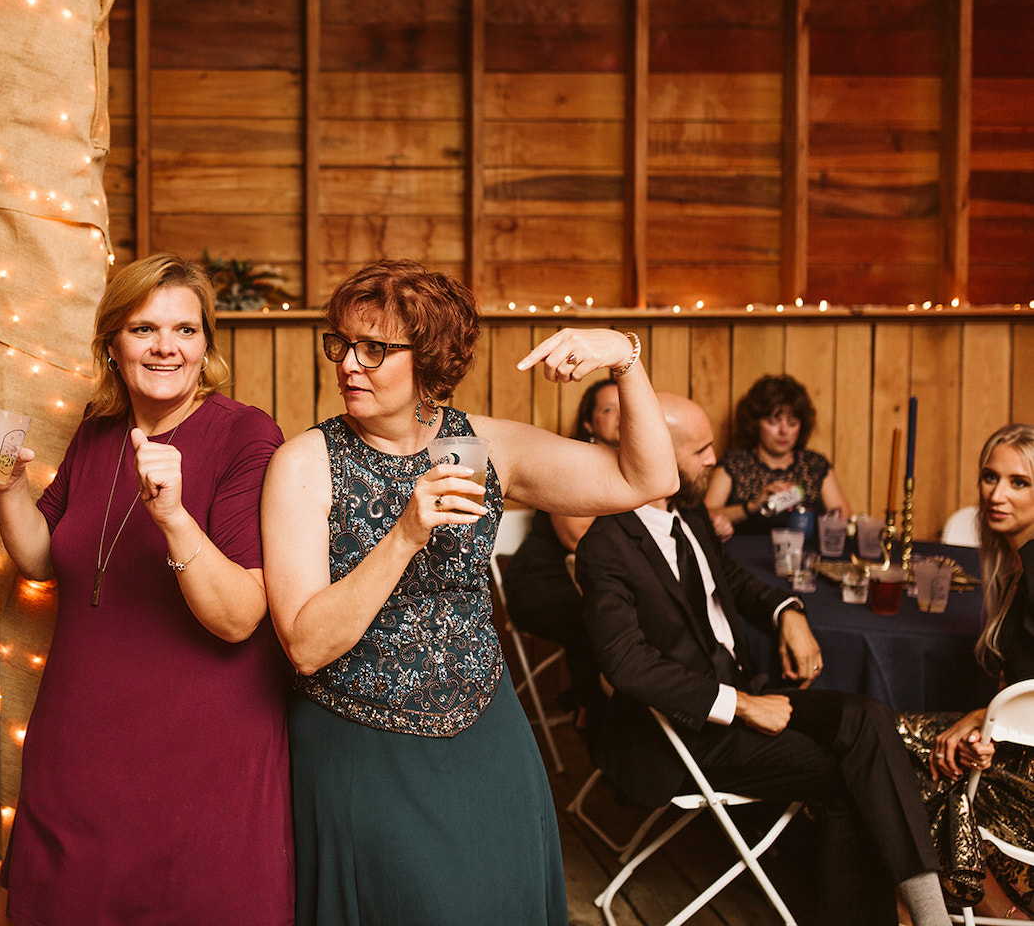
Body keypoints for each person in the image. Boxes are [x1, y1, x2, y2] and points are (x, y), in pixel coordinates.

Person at [261, 259, 679, 925]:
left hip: (486, 733)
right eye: (341, 344)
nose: (348, 365)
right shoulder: (306, 464)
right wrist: (403, 535)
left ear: (428, 359)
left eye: (375, 349)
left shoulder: (483, 446)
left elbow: (649, 478)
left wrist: (625, 359)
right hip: (360, 743)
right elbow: (306, 646)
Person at [0, 254, 292, 926]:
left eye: (186, 330)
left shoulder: (244, 434)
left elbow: (239, 618)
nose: (166, 346)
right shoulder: (98, 430)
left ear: (206, 344)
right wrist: (8, 488)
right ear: (112, 344)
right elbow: (39, 559)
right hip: (79, 746)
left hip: (199, 754)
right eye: (144, 329)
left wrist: (172, 516)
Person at [578, 393, 949, 926]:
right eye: (702, 450)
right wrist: (743, 706)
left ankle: (927, 916)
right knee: (856, 775)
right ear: (654, 452)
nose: (713, 460)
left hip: (749, 692)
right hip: (685, 733)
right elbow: (627, 665)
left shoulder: (687, 513)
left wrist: (787, 612)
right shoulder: (605, 546)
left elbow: (730, 581)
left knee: (867, 718)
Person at [897, 423, 1034, 921]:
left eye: (1020, 482)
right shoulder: (1017, 562)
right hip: (1015, 747)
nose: (997, 494)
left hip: (1027, 776)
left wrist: (984, 716)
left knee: (880, 746)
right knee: (887, 746)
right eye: (989, 476)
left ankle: (956, 910)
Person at [500, 377, 622, 739]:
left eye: (626, 409)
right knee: (602, 616)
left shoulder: (635, 466)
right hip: (543, 582)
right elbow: (576, 540)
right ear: (589, 422)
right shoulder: (572, 462)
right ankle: (599, 717)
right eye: (609, 409)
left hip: (593, 581)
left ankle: (606, 708)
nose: (621, 417)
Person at [705, 373, 851, 535]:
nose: (784, 431)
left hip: (806, 557)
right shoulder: (735, 463)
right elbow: (704, 517)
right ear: (755, 423)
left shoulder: (814, 465)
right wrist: (752, 506)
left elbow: (844, 519)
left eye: (792, 423)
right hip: (743, 557)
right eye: (773, 422)